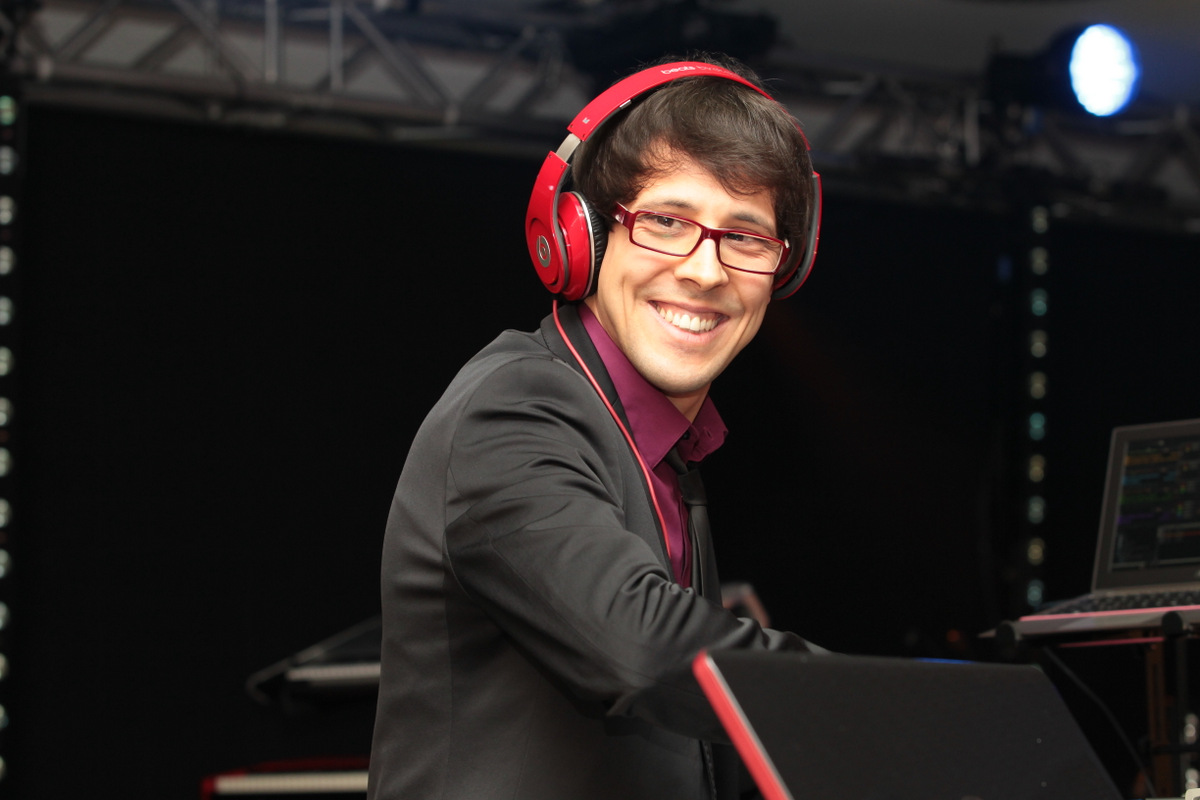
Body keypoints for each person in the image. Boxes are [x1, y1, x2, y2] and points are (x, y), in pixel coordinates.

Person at [367, 52, 822, 800]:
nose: (706, 271)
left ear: (784, 269)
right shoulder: (512, 408)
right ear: (584, 235)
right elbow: (639, 645)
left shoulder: (668, 454)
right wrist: (896, 706)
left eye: (745, 237)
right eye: (666, 222)